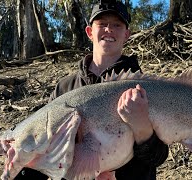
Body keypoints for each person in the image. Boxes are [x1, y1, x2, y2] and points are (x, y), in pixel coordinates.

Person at [15, 0, 168, 179]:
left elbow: (158, 157)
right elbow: (42, 146)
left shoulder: (144, 88)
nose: (108, 29)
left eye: (116, 25)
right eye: (102, 24)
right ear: (89, 32)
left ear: (127, 34)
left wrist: (142, 128)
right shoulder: (65, 87)